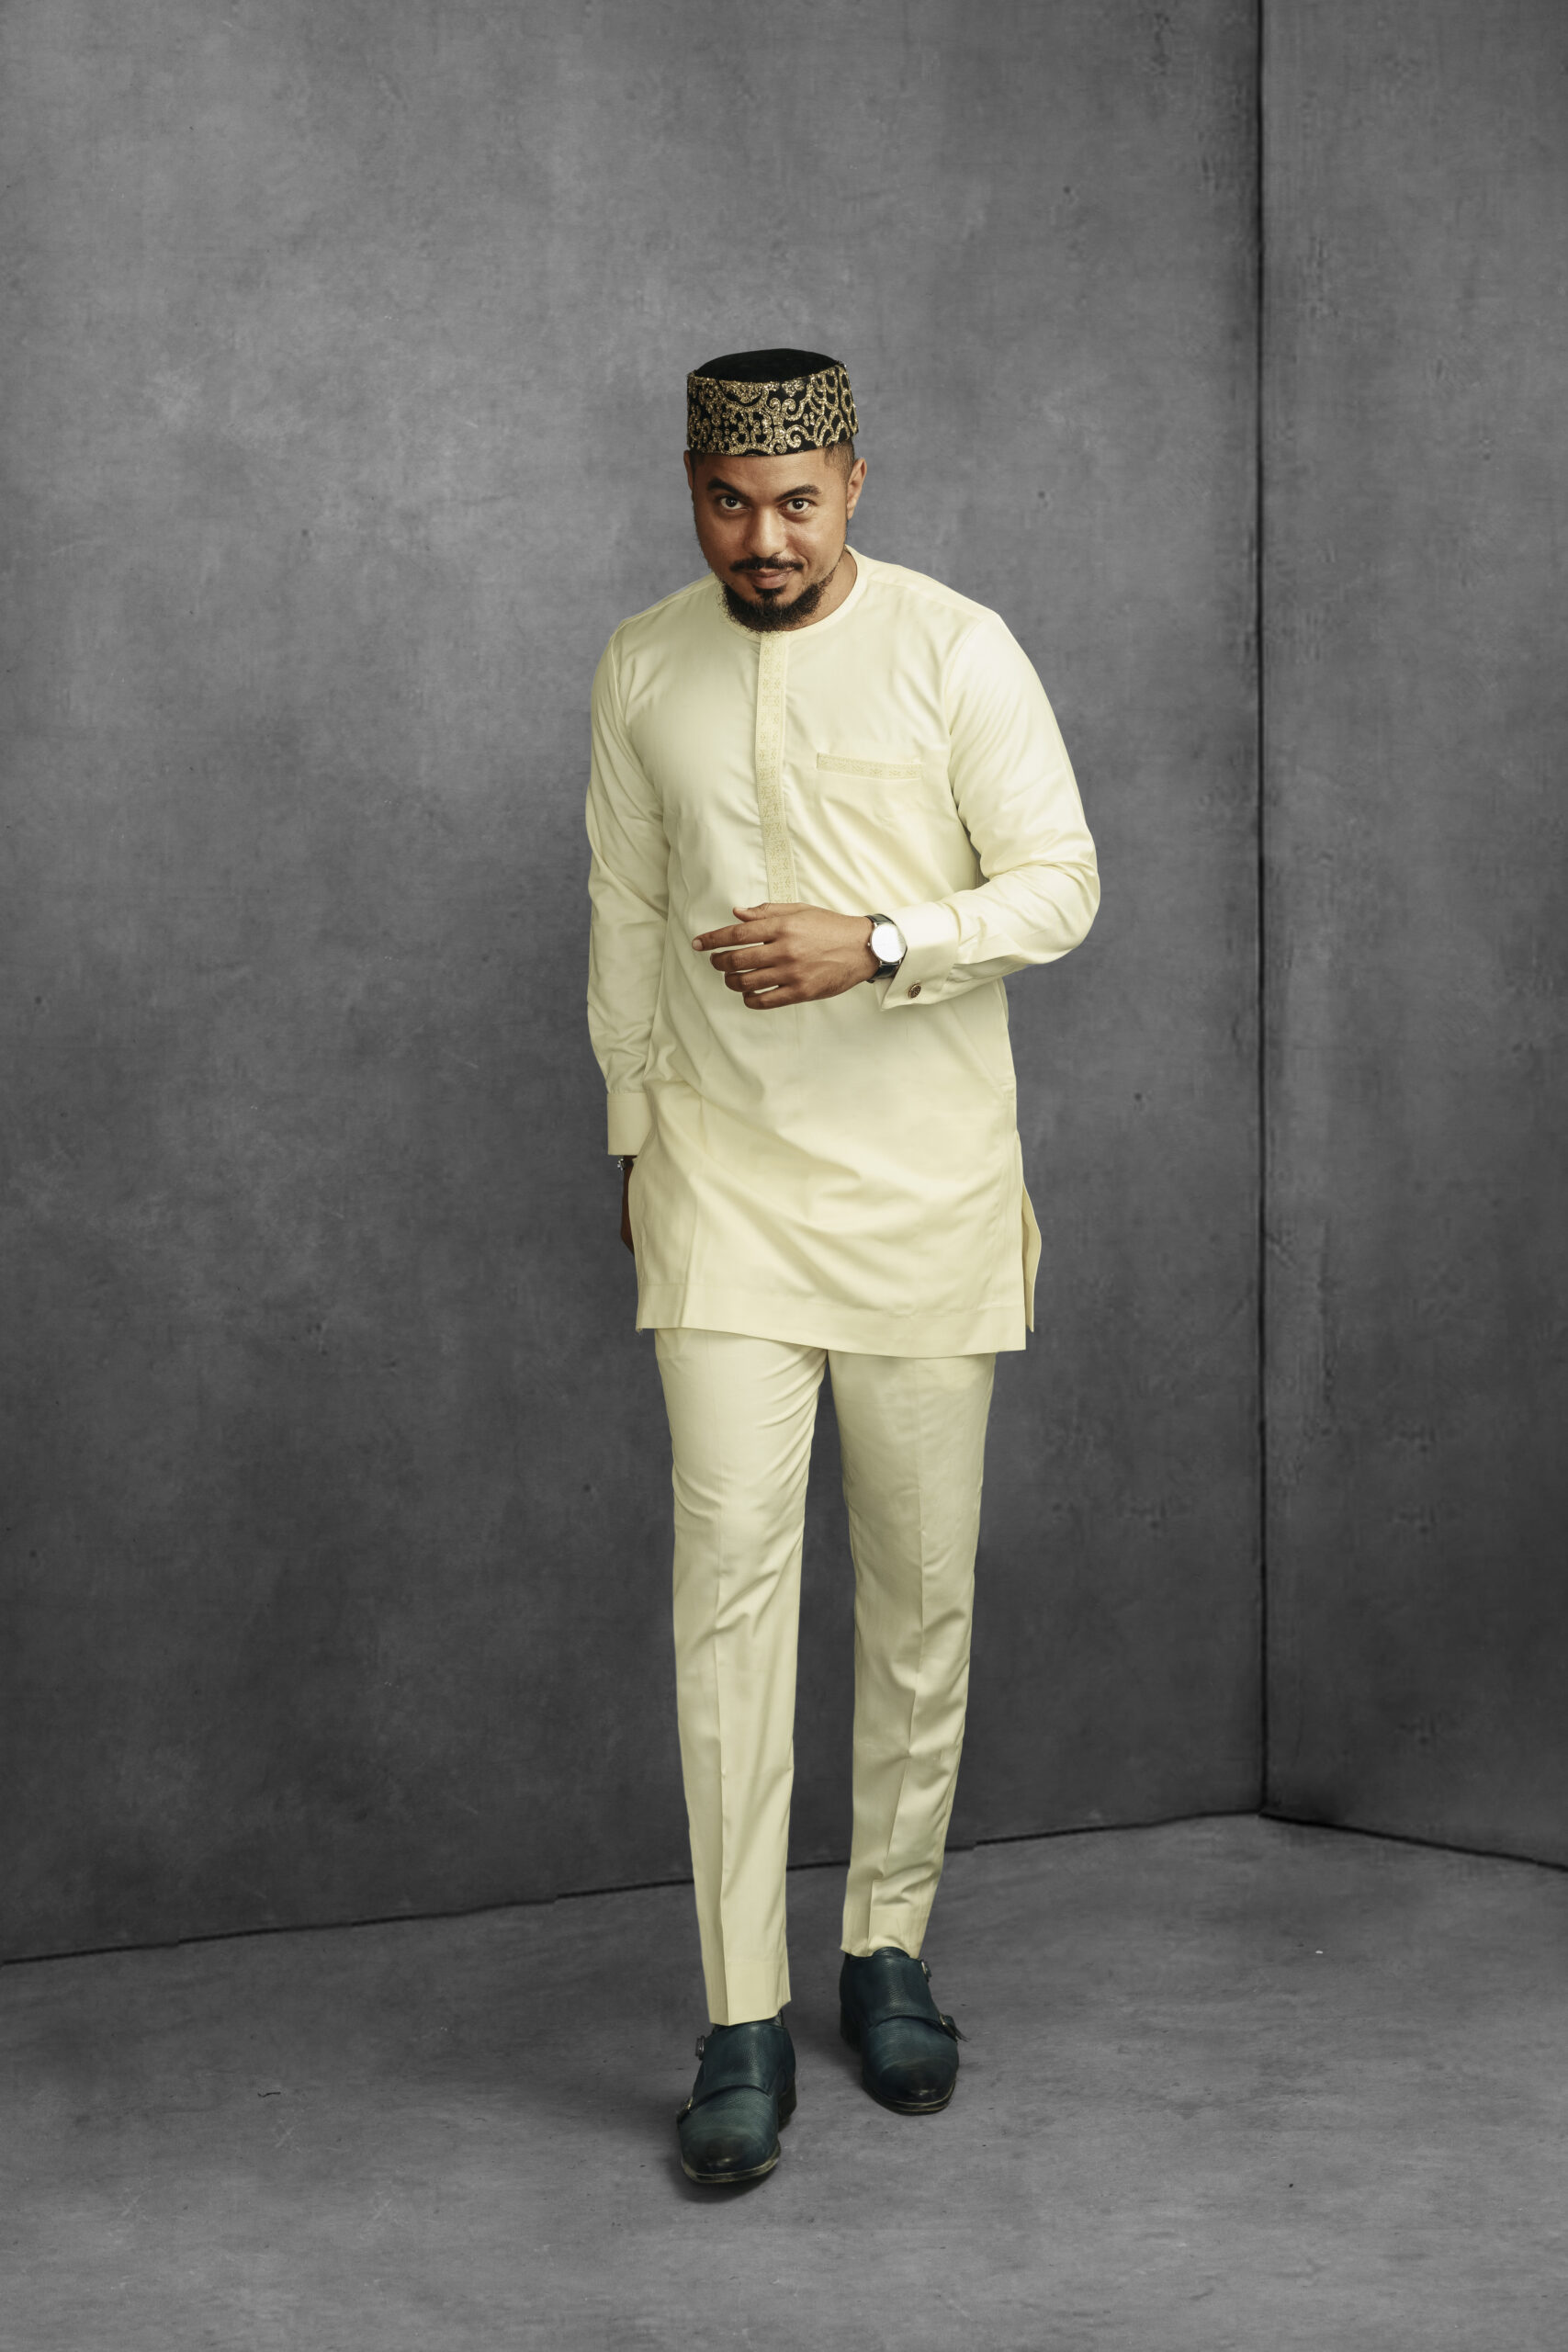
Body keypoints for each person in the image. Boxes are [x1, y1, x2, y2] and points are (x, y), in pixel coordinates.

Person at [585, 348, 1099, 2186]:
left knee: (916, 1588)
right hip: (720, 1188)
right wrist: (635, 1140)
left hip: (923, 1191)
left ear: (854, 485)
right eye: (729, 503)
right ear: (691, 490)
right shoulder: (643, 662)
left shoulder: (959, 648)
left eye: (796, 502)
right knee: (725, 1591)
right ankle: (739, 2014)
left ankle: (885, 1948)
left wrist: (880, 940)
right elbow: (624, 911)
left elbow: (1060, 882)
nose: (764, 538)